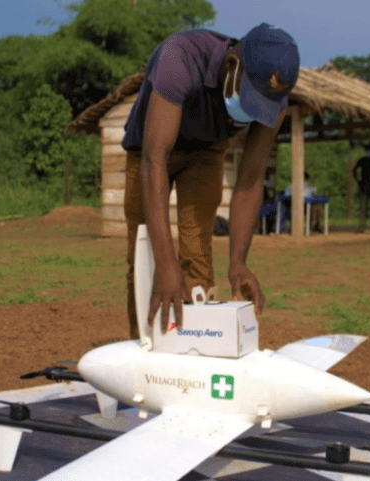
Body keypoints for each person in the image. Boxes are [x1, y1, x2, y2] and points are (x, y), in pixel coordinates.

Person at [122, 23, 300, 338]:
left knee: (197, 257)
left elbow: (251, 177)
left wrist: (238, 263)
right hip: (150, 151)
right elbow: (155, 160)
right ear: (232, 66)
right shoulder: (181, 57)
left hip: (205, 151)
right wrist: (165, 263)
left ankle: (192, 347)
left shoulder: (277, 98)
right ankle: (146, 348)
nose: (250, 112)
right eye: (249, 99)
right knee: (146, 257)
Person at [352, 145, 370, 232]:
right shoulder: (363, 160)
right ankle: (362, 225)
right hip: (365, 185)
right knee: (363, 206)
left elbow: (354, 170)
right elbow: (354, 170)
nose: (368, 152)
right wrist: (358, 180)